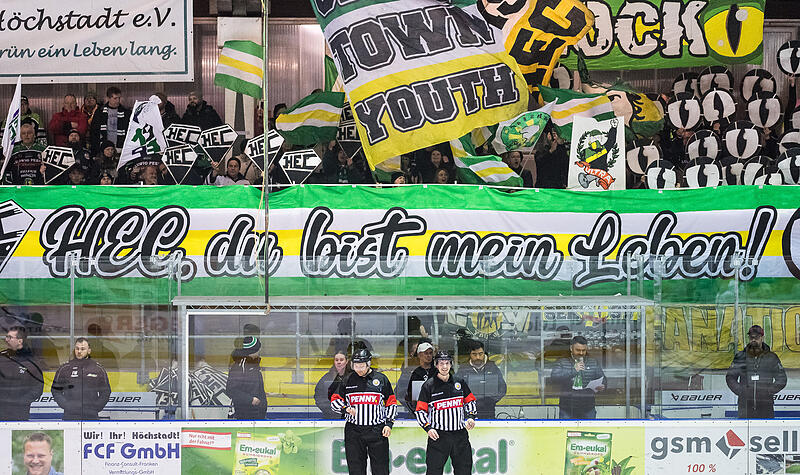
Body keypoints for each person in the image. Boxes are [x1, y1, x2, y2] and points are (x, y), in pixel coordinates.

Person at [330, 349, 396, 475]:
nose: (359, 369)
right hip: (354, 432)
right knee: (356, 469)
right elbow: (334, 400)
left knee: (381, 468)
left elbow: (391, 402)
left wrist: (389, 423)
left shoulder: (381, 379)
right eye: (356, 366)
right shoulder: (347, 379)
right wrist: (345, 408)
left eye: (361, 366)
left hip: (377, 430)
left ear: (368, 363)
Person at [415, 350, 477, 475]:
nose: (444, 366)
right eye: (441, 363)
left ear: (451, 364)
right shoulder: (429, 386)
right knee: (434, 471)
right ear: (436, 365)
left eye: (447, 363)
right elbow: (420, 410)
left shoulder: (459, 382)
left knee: (464, 470)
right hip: (439, 437)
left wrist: (470, 416)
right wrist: (428, 428)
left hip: (460, 436)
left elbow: (470, 401)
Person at [726, 324, 787, 419]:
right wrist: (741, 391)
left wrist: (768, 391)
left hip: (765, 405)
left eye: (756, 337)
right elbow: (730, 377)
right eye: (751, 337)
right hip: (745, 405)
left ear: (762, 337)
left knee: (766, 432)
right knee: (743, 433)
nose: (753, 340)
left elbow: (782, 379)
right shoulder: (741, 356)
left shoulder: (771, 357)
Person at [52, 338, 111, 420]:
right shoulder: (65, 368)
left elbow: (106, 391)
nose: (79, 351)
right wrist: (66, 405)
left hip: (91, 415)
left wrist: (96, 407)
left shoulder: (98, 369)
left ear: (89, 351)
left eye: (82, 349)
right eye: (77, 348)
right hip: (70, 415)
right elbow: (55, 390)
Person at [551, 335, 606, 419]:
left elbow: (602, 378)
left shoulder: (593, 362)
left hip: (588, 407)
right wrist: (573, 371)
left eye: (583, 350)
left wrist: (603, 386)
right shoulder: (562, 362)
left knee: (588, 431)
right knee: (566, 430)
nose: (581, 353)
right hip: (567, 407)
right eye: (578, 350)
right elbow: (554, 378)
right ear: (571, 348)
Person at [0, 327, 44, 421]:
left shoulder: (32, 361)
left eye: (10, 337)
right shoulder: (1, 358)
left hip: (20, 412)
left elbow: (38, 387)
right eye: (6, 337)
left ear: (20, 341)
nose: (6, 339)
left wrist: (22, 402)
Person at [455, 340, 506, 419]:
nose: (477, 357)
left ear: (484, 353)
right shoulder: (463, 369)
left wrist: (492, 401)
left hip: (488, 410)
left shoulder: (492, 367)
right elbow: (456, 388)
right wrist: (465, 402)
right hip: (468, 411)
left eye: (480, 354)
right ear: (470, 354)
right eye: (474, 354)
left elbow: (502, 387)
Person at [225, 336, 267, 419]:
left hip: (258, 414)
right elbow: (231, 390)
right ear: (254, 350)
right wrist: (250, 399)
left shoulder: (254, 365)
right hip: (245, 414)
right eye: (258, 348)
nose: (260, 351)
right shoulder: (239, 366)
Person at [90, 86, 131, 154]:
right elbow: (94, 131)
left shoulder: (126, 112)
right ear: (108, 98)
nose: (117, 101)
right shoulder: (100, 112)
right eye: (115, 98)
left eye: (119, 98)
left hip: (120, 148)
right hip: (104, 148)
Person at [402, 341, 436, 413]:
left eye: (430, 353)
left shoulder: (437, 372)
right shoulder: (413, 373)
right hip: (417, 413)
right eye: (426, 353)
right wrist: (413, 410)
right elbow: (404, 394)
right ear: (419, 355)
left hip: (435, 412)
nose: (428, 355)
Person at [314, 350, 349, 419]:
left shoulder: (353, 377)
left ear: (346, 361)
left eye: (341, 360)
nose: (339, 362)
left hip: (350, 417)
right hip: (331, 417)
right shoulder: (326, 378)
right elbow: (319, 397)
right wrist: (332, 411)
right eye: (336, 360)